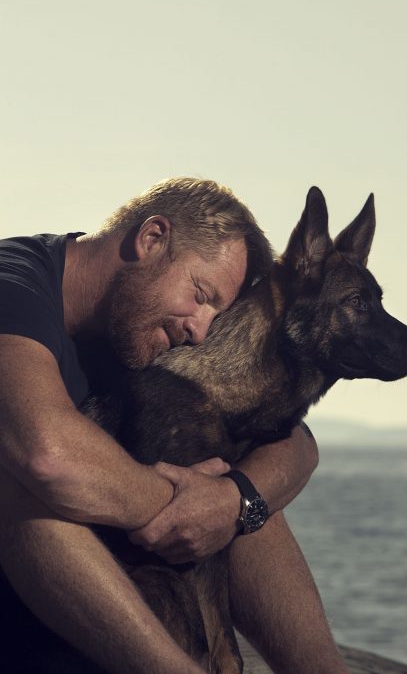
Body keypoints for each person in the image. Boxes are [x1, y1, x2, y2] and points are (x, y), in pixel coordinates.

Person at [0, 177, 348, 674]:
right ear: (152, 238)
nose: (200, 330)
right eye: (201, 295)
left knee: (235, 480)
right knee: (26, 488)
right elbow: (47, 455)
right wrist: (185, 507)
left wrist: (232, 502)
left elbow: (297, 447)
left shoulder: (141, 329)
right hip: (20, 582)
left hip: (69, 606)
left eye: (215, 314)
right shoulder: (13, 284)